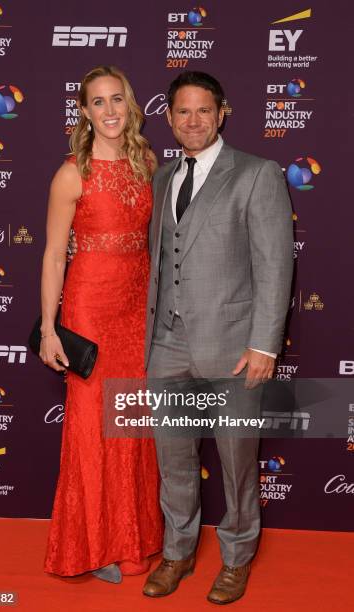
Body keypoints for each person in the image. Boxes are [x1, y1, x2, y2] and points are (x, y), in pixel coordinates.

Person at [142, 71, 293, 604]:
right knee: (174, 459)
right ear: (169, 118)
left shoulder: (257, 173)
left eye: (204, 110)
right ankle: (178, 551)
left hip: (234, 348)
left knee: (237, 461)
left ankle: (236, 557)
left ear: (222, 112)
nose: (193, 121)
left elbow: (275, 266)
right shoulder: (162, 178)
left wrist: (264, 345)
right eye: (183, 112)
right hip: (167, 344)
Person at [40, 65, 163, 584]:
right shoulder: (72, 173)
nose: (110, 111)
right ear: (84, 113)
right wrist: (49, 328)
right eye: (99, 102)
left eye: (118, 100)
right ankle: (92, 545)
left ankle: (134, 540)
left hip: (138, 308)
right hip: (89, 308)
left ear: (130, 106)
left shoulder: (147, 163)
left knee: (133, 423)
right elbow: (51, 256)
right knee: (93, 429)